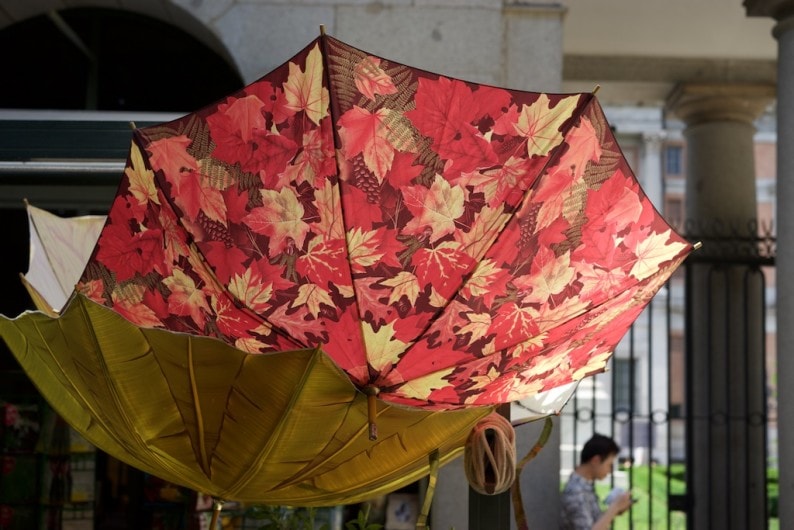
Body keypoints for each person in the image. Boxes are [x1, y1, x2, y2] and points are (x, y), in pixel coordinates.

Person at [560, 433, 633, 530]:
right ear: (596, 460)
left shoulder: (583, 486)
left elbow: (592, 523)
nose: (610, 470)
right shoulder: (576, 491)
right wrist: (614, 507)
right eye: (609, 464)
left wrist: (615, 510)